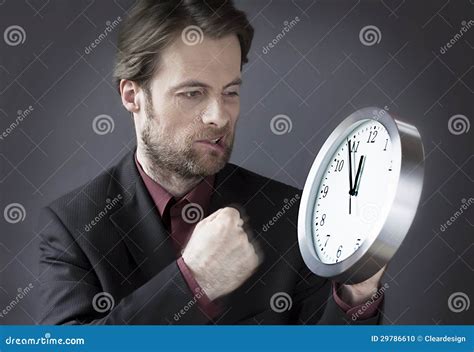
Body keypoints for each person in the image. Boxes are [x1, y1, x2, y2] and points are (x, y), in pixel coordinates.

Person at [37, 0, 384, 325]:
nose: (219, 116)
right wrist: (193, 282)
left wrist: (357, 296)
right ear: (133, 96)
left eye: (230, 92)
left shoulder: (292, 215)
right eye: (192, 93)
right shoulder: (73, 226)